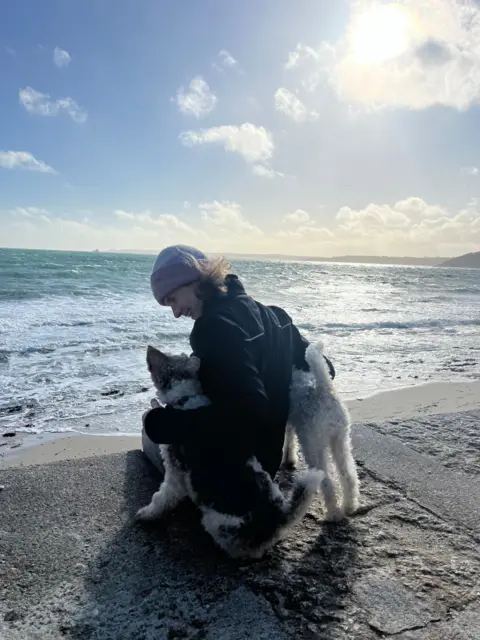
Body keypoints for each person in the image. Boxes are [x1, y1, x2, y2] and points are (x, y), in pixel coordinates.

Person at [142, 244, 335, 483]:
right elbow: (324, 367)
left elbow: (246, 414)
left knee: (151, 434)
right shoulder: (275, 315)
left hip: (238, 470)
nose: (176, 312)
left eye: (173, 299)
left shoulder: (211, 330)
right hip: (269, 460)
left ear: (193, 280)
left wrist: (162, 423)